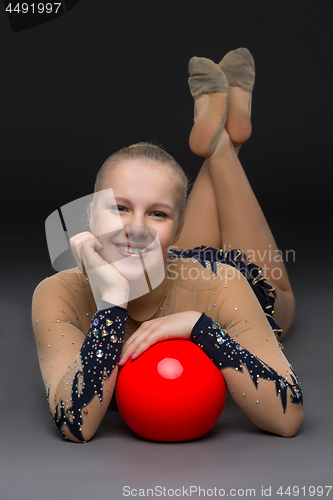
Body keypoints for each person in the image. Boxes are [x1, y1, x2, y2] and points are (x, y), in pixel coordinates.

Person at [32, 48, 303, 443]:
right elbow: (75, 423)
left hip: (210, 278)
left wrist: (200, 327)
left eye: (157, 215)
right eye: (120, 208)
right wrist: (111, 302)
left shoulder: (223, 282)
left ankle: (224, 147)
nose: (136, 228)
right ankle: (226, 138)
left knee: (283, 298)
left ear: (177, 232)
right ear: (89, 216)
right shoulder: (57, 293)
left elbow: (289, 417)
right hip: (170, 269)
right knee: (155, 241)